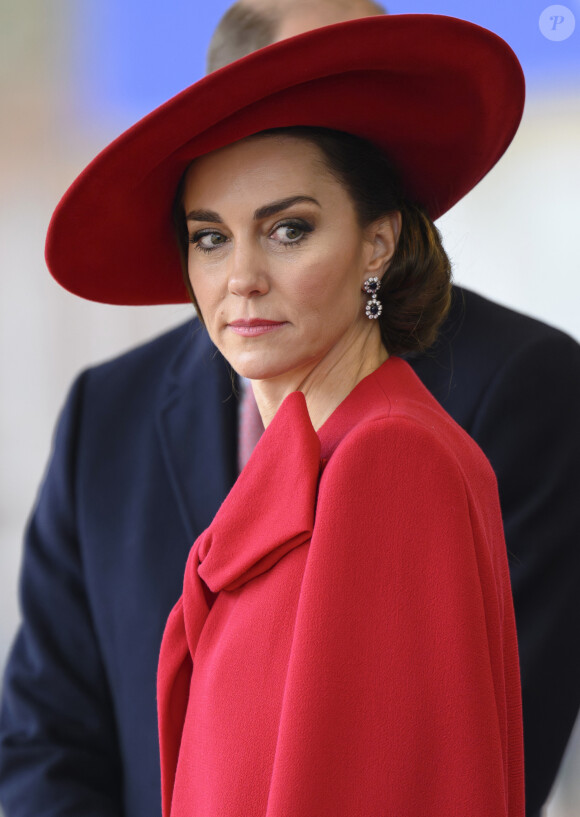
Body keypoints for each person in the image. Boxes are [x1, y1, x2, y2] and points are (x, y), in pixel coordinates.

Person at [0, 3, 578, 817]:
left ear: (377, 241)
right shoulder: (279, 442)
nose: (241, 277)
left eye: (288, 230)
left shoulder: (391, 455)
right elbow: (46, 730)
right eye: (209, 238)